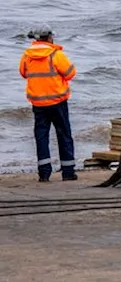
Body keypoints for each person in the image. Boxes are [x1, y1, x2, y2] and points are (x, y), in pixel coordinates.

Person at [19, 26, 77, 182]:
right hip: (57, 101)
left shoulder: (27, 56)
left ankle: (44, 174)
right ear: (50, 38)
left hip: (38, 103)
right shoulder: (56, 55)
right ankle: (68, 172)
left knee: (41, 136)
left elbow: (23, 73)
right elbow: (70, 73)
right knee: (64, 134)